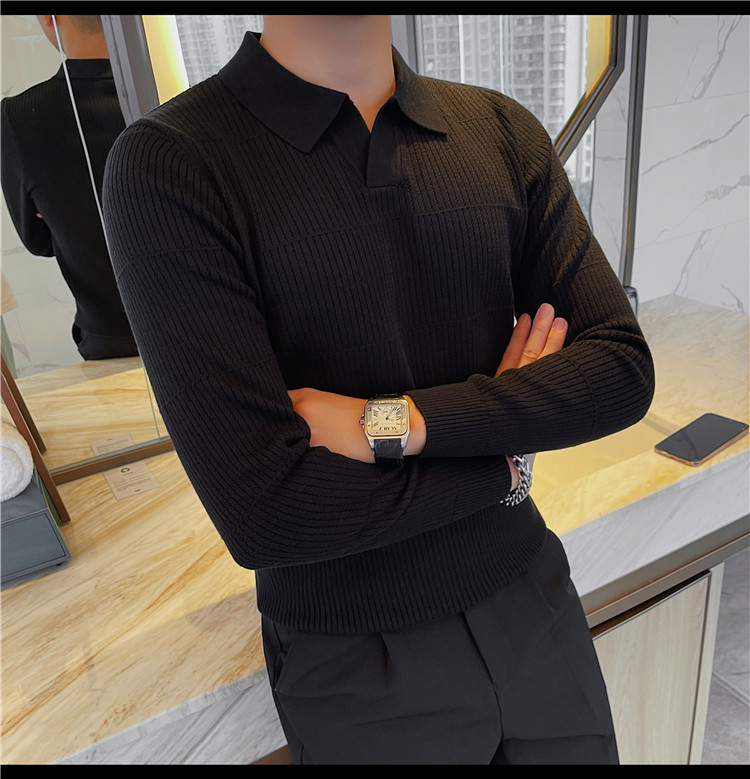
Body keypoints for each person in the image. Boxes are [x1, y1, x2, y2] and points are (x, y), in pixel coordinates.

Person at [102, 15, 654, 764]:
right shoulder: (173, 163)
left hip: (536, 600)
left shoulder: (500, 129)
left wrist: (392, 422)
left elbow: (620, 369)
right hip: (355, 661)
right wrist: (506, 460)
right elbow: (266, 514)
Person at [1, 14, 138, 361]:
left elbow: (38, 241)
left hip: (110, 341)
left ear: (48, 17)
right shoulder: (181, 88)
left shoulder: (20, 117)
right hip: (211, 328)